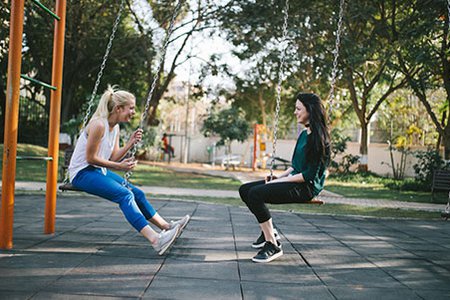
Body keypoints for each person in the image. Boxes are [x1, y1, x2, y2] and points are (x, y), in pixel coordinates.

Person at [68, 85, 190, 255]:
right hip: (82, 173)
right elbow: (90, 158)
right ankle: (156, 240)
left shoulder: (115, 127)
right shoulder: (98, 125)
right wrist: (119, 167)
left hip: (97, 171)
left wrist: (130, 143)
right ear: (118, 108)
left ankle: (166, 226)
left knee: (137, 193)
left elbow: (113, 157)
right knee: (125, 195)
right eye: (131, 108)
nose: (133, 112)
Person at [239, 93, 330, 263]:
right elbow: (295, 166)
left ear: (310, 110)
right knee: (245, 190)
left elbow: (308, 175)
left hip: (307, 187)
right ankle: (269, 231)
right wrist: (279, 177)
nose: (295, 112)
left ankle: (272, 245)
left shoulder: (319, 139)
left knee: (256, 194)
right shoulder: (304, 134)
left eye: (298, 109)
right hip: (295, 179)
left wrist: (281, 181)